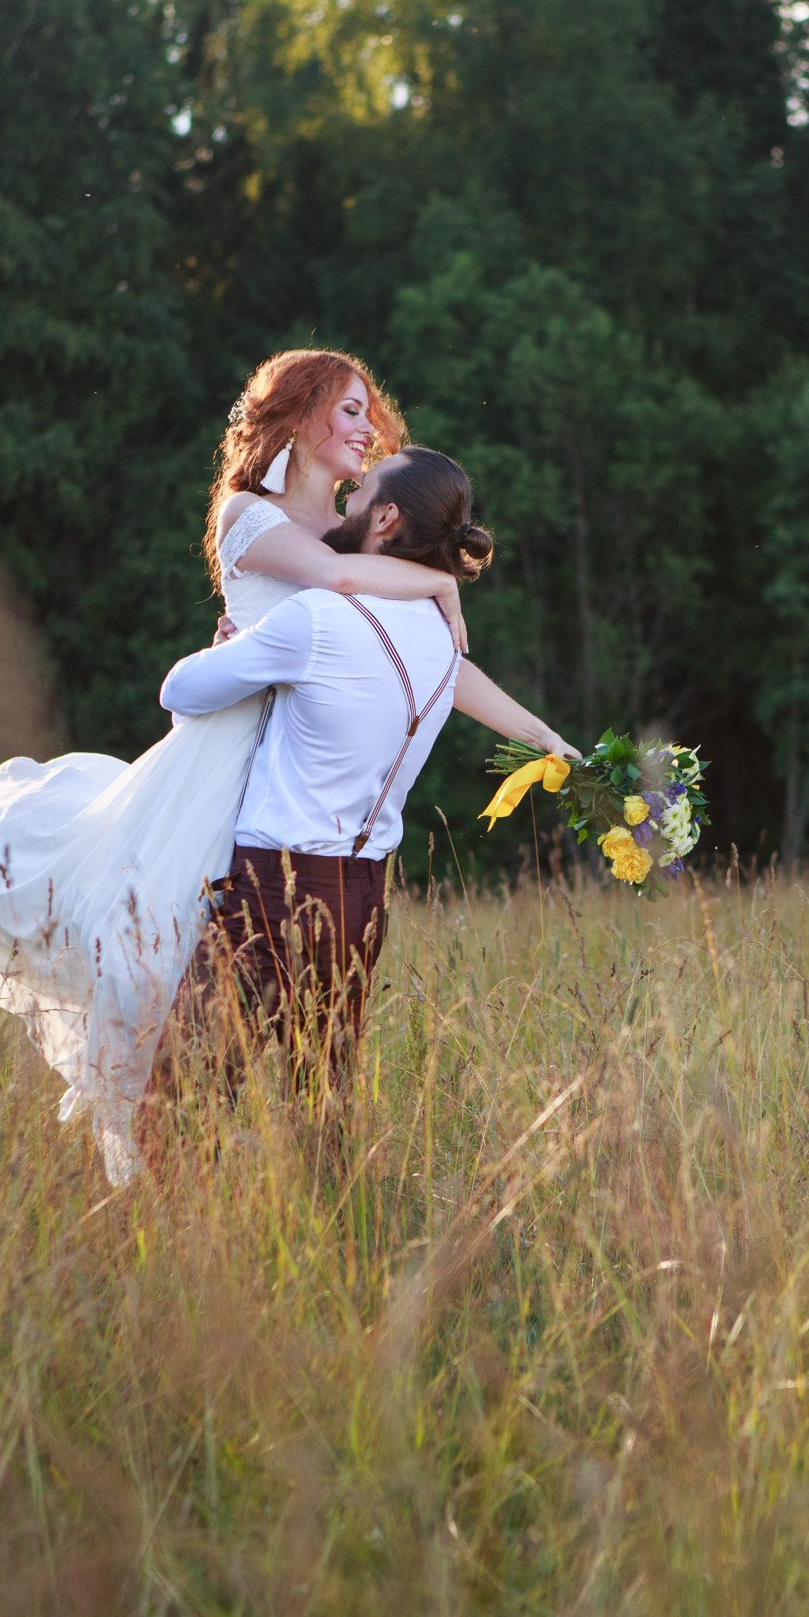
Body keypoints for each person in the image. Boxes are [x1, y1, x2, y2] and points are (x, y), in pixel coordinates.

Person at [0, 349, 575, 1185]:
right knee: (162, 975)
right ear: (298, 418)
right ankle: (157, 1184)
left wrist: (545, 735)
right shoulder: (252, 516)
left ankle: (246, 1189)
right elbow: (335, 581)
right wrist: (439, 587)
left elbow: (446, 669)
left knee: (258, 1015)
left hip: (294, 768)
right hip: (228, 759)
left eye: (368, 413)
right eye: (346, 410)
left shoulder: (359, 532)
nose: (365, 428)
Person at [136, 446, 580, 1163]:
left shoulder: (315, 619)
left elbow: (179, 693)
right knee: (324, 1102)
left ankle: (174, 1243)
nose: (345, 499)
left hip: (272, 887)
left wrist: (231, 646)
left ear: (387, 518)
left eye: (361, 491)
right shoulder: (441, 638)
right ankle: (341, 1233)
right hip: (363, 897)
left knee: (180, 1093)